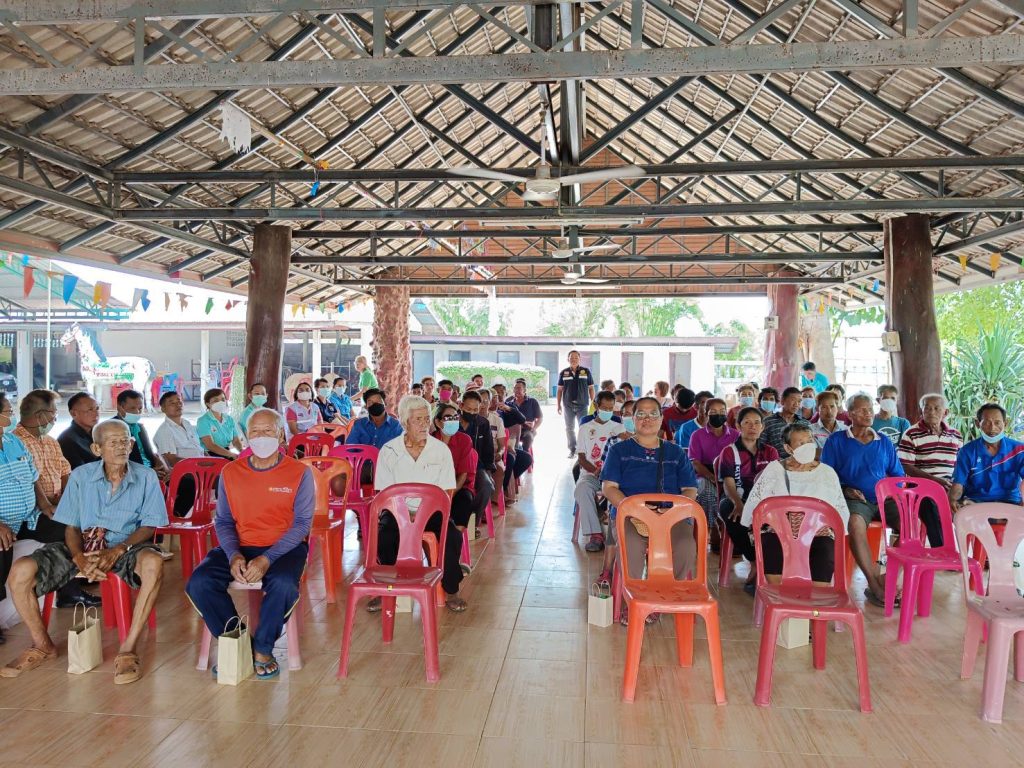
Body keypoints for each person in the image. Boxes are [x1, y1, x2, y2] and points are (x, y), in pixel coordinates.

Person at [0, 419, 167, 683]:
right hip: (83, 545)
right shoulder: (81, 476)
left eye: (125, 441)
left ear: (132, 444)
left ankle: (128, 649)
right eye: (113, 442)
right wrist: (78, 557)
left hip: (126, 545)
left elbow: (149, 525)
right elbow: (71, 527)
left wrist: (118, 550)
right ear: (96, 449)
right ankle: (42, 645)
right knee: (21, 571)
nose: (121, 447)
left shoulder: (146, 476)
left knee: (154, 563)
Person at [186, 408, 314, 680]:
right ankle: (239, 643)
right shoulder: (231, 472)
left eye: (268, 431)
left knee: (283, 584)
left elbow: (302, 524)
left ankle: (263, 648)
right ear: (247, 436)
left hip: (285, 548)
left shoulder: (299, 473)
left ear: (281, 435)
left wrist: (267, 558)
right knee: (199, 582)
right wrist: (233, 555)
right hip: (239, 546)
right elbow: (223, 521)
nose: (261, 436)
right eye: (255, 431)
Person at [601, 397, 699, 623]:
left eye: (653, 414)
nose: (647, 419)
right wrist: (633, 510)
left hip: (670, 516)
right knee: (632, 545)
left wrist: (672, 513)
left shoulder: (676, 452)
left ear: (661, 418)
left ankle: (663, 596)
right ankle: (634, 601)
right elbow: (609, 488)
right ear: (633, 419)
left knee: (685, 545)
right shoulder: (619, 450)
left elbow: (690, 489)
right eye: (641, 414)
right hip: (631, 515)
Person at [372, 396, 467, 612]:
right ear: (405, 422)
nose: (424, 424)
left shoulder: (440, 450)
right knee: (384, 535)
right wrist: (404, 515)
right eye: (418, 420)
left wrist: (423, 514)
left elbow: (447, 492)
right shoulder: (389, 450)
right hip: (398, 511)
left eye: (427, 419)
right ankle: (387, 588)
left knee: (452, 536)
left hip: (432, 511)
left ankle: (451, 588)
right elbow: (383, 493)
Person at [821, 392, 905, 607]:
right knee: (855, 523)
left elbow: (898, 476)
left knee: (910, 525)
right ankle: (874, 584)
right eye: (862, 410)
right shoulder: (837, 441)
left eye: (870, 409)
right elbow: (826, 476)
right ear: (850, 414)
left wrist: (892, 492)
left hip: (884, 499)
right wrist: (845, 489)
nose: (868, 414)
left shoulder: (883, 441)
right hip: (855, 499)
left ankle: (887, 577)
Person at [743, 422, 850, 587]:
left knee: (825, 549)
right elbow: (755, 507)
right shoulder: (774, 470)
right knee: (770, 545)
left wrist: (826, 528)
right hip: (778, 529)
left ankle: (815, 596)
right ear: (788, 448)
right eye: (801, 443)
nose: (807, 446)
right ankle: (777, 593)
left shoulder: (827, 473)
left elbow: (839, 510)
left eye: (809, 441)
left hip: (817, 531)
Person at [716, 406, 779, 592]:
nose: (753, 427)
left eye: (757, 423)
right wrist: (738, 503)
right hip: (737, 496)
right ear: (738, 426)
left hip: (764, 499)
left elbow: (775, 481)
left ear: (762, 427)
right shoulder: (729, 451)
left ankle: (773, 566)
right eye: (747, 422)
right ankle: (754, 561)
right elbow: (728, 483)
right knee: (731, 511)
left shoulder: (770, 452)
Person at [897, 393, 962, 547]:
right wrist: (934, 480)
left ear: (945, 412)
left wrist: (956, 484)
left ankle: (968, 552)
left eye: (936, 408)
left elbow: (961, 464)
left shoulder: (956, 435)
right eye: (927, 408)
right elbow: (905, 465)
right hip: (921, 485)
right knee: (929, 505)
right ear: (921, 411)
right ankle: (942, 550)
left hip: (949, 484)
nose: (931, 412)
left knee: (969, 502)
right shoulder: (911, 434)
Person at [574, 391, 627, 553]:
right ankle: (596, 535)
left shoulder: (619, 428)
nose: (608, 411)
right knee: (582, 488)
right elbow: (581, 458)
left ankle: (618, 532)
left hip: (614, 477)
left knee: (623, 490)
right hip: (592, 474)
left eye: (611, 408)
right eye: (605, 408)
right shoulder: (585, 428)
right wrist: (595, 471)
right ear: (596, 406)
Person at [949, 403, 1024, 511]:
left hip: (1011, 503)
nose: (992, 428)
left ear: (1005, 423)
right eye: (987, 423)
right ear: (977, 424)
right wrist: (953, 500)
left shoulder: (1019, 450)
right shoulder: (967, 451)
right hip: (975, 503)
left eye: (997, 422)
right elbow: (958, 484)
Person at [688, 398, 739, 532]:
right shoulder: (697, 435)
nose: (719, 415)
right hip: (705, 473)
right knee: (707, 491)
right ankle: (712, 527)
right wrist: (712, 477)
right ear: (706, 414)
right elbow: (695, 462)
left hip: (730, 474)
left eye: (722, 411)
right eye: (714, 412)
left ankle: (730, 527)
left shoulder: (735, 435)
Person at [153, 391, 204, 517]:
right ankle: (176, 515)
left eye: (179, 401)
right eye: (172, 403)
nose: (178, 405)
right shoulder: (165, 430)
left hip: (200, 467)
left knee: (225, 475)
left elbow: (198, 449)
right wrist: (198, 464)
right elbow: (171, 459)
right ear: (163, 409)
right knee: (196, 483)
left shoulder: (187, 423)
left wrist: (208, 459)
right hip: (182, 472)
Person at [459, 391, 496, 531]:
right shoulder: (451, 422)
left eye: (475, 410)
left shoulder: (482, 423)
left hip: (476, 466)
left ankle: (472, 522)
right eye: (468, 409)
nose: (472, 413)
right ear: (461, 405)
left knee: (487, 486)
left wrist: (488, 471)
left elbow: (488, 450)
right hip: (454, 466)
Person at [115, 389, 170, 483]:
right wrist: (148, 473)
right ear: (120, 408)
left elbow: (149, 452)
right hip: (133, 478)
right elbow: (115, 463)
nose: (137, 412)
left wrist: (161, 465)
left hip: (152, 472)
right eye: (132, 408)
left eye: (140, 408)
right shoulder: (112, 428)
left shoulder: (140, 427)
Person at [556, 350, 595, 458]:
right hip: (568, 405)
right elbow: (560, 390)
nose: (574, 359)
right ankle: (572, 450)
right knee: (569, 428)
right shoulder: (564, 373)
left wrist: (593, 402)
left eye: (576, 357)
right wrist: (558, 405)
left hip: (582, 405)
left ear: (579, 359)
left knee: (583, 427)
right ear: (568, 359)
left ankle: (583, 449)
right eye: (571, 358)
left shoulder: (585, 371)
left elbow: (591, 388)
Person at [57, 392, 101, 469]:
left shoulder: (99, 433)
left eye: (97, 408)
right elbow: (79, 472)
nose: (96, 414)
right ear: (74, 413)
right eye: (90, 410)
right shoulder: (67, 440)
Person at [197, 387, 242, 459]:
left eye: (223, 399)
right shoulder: (203, 421)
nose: (220, 402)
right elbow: (210, 445)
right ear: (208, 404)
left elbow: (236, 440)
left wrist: (242, 452)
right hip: (210, 455)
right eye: (216, 400)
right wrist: (231, 454)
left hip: (227, 453)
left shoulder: (229, 419)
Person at [762, 387, 806, 458]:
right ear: (782, 401)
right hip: (775, 463)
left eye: (799, 401)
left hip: (801, 462)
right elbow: (761, 446)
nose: (796, 404)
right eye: (793, 400)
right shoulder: (768, 422)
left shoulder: (805, 423)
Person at [507, 379, 542, 453]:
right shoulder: (509, 402)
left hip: (526, 429)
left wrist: (534, 428)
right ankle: (513, 455)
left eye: (519, 388)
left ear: (525, 390)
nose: (516, 390)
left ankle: (525, 454)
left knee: (528, 436)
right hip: (512, 429)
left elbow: (540, 418)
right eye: (515, 388)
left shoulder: (532, 401)